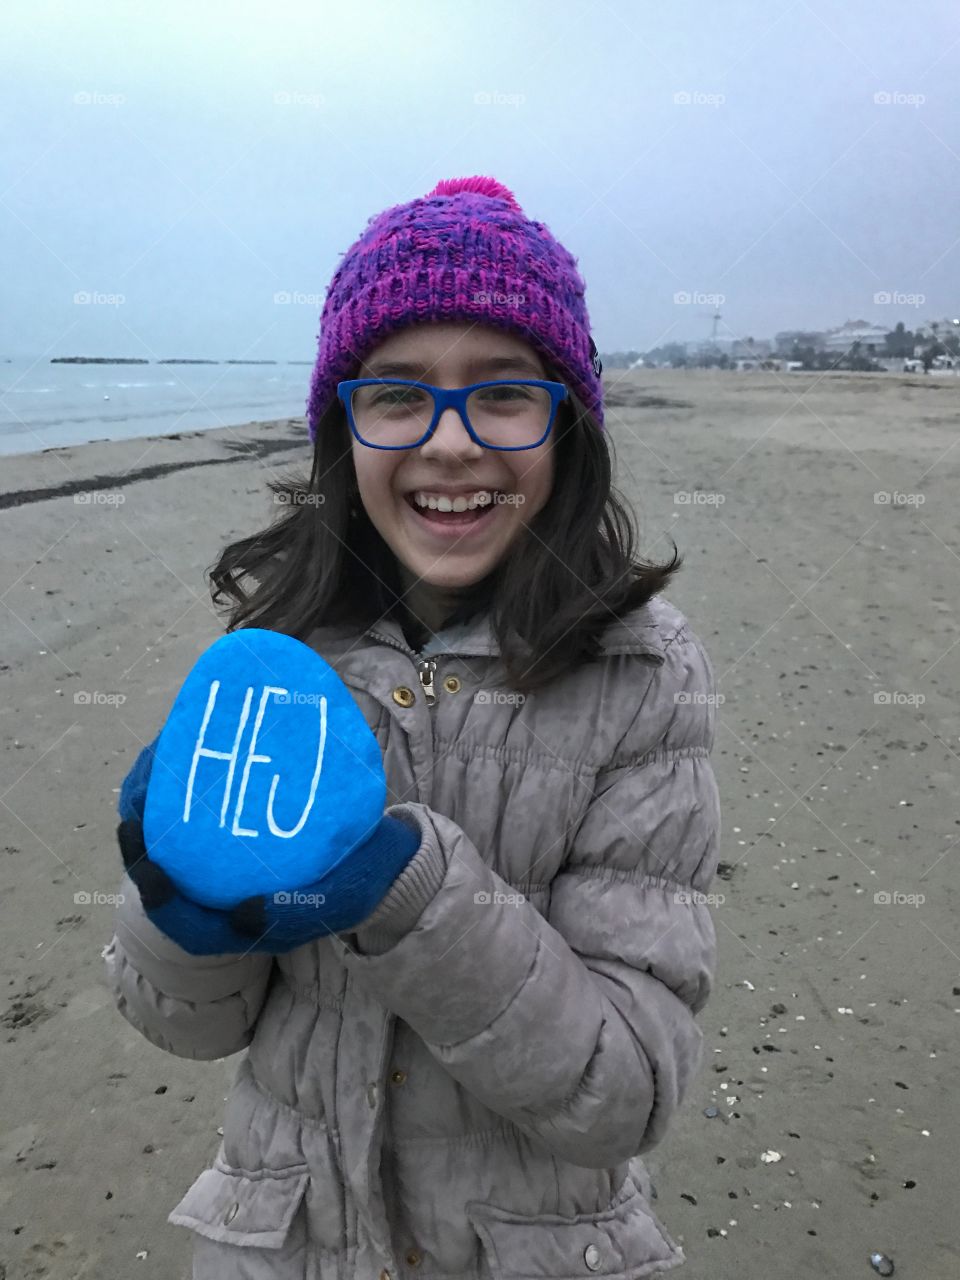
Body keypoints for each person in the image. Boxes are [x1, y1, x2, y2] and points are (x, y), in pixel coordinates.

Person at [103, 174, 721, 1280]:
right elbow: (188, 1026)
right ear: (345, 426)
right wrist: (173, 909)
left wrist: (418, 900)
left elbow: (629, 1088)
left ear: (566, 423)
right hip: (283, 1247)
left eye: (502, 393)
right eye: (398, 394)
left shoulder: (642, 673)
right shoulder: (281, 654)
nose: (449, 442)